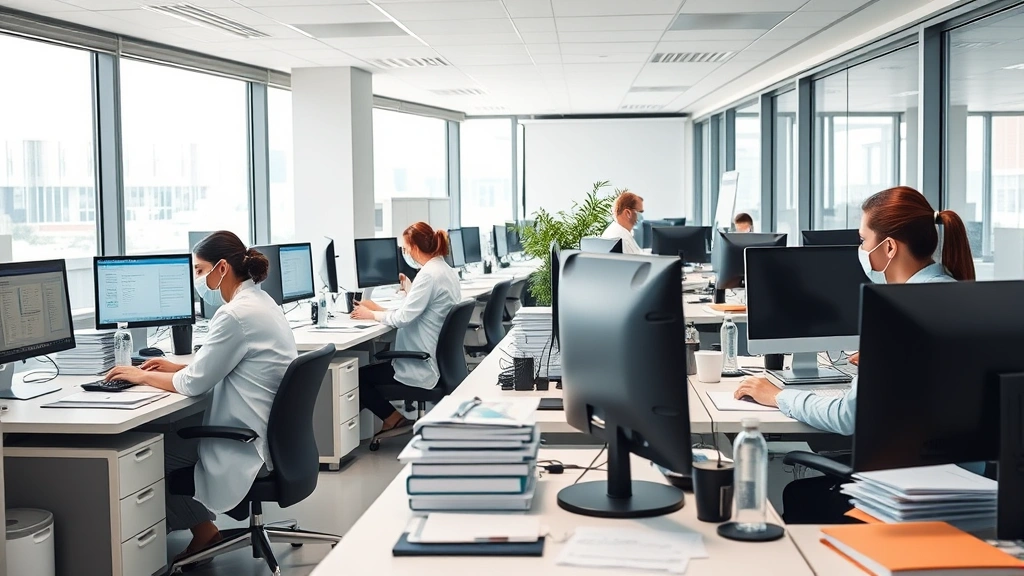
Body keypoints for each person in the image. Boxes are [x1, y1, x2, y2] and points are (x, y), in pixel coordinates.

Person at [731, 186, 977, 523]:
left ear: (888, 247)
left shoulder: (897, 314)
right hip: (970, 493)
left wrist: (778, 395)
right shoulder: (961, 297)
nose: (860, 249)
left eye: (863, 240)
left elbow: (847, 417)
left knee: (797, 494)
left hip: (905, 501)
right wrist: (882, 360)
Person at [105, 231, 297, 563]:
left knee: (154, 453)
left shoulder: (235, 314)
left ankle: (195, 537)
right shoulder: (260, 302)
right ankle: (205, 533)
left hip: (246, 443)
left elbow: (193, 384)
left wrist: (141, 374)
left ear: (222, 268)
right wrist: (175, 366)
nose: (196, 278)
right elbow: (213, 368)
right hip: (274, 439)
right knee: (167, 439)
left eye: (199, 269)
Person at [351, 222, 461, 440]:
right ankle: (385, 419)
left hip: (421, 364)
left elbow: (403, 318)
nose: (405, 252)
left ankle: (391, 417)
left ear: (415, 248)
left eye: (405, 247)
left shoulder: (428, 275)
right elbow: (417, 311)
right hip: (439, 361)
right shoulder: (444, 270)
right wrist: (381, 309)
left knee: (357, 377)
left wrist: (371, 315)